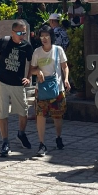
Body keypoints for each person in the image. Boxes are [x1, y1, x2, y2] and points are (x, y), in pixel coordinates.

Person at [0, 20, 34, 157]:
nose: (22, 35)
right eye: (19, 33)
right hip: (3, 81)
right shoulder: (4, 41)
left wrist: (28, 77)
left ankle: (21, 134)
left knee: (23, 111)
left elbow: (32, 62)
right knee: (2, 112)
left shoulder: (27, 46)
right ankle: (5, 141)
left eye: (24, 33)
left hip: (18, 83)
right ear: (12, 33)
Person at [30, 25, 71, 155]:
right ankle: (42, 144)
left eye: (46, 36)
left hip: (57, 88)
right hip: (41, 88)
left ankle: (58, 137)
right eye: (42, 36)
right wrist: (38, 71)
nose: (44, 39)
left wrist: (66, 79)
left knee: (57, 116)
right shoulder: (37, 52)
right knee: (40, 116)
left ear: (51, 37)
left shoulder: (58, 50)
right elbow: (31, 69)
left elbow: (65, 66)